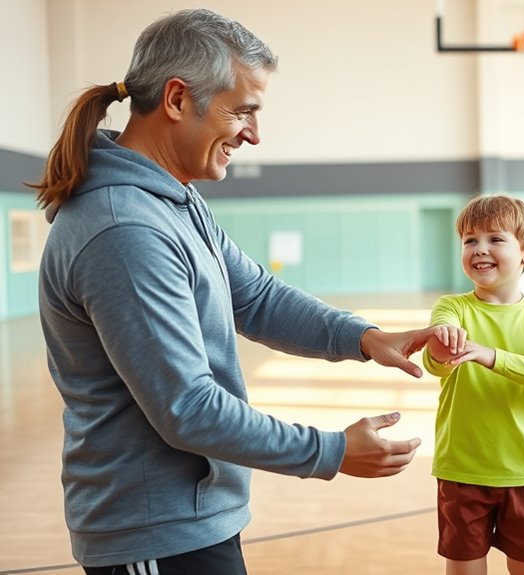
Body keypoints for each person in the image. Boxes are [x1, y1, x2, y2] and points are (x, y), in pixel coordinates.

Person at [30, 9, 435, 574]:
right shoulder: (125, 229)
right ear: (177, 99)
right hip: (154, 532)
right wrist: (332, 451)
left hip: (190, 519)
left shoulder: (174, 200)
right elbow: (189, 409)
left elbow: (256, 297)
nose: (253, 133)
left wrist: (365, 338)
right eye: (242, 110)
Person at [421, 194, 524, 575]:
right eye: (470, 240)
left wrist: (490, 356)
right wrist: (442, 349)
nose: (480, 249)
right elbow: (436, 362)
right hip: (462, 469)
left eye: (495, 239)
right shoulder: (452, 308)